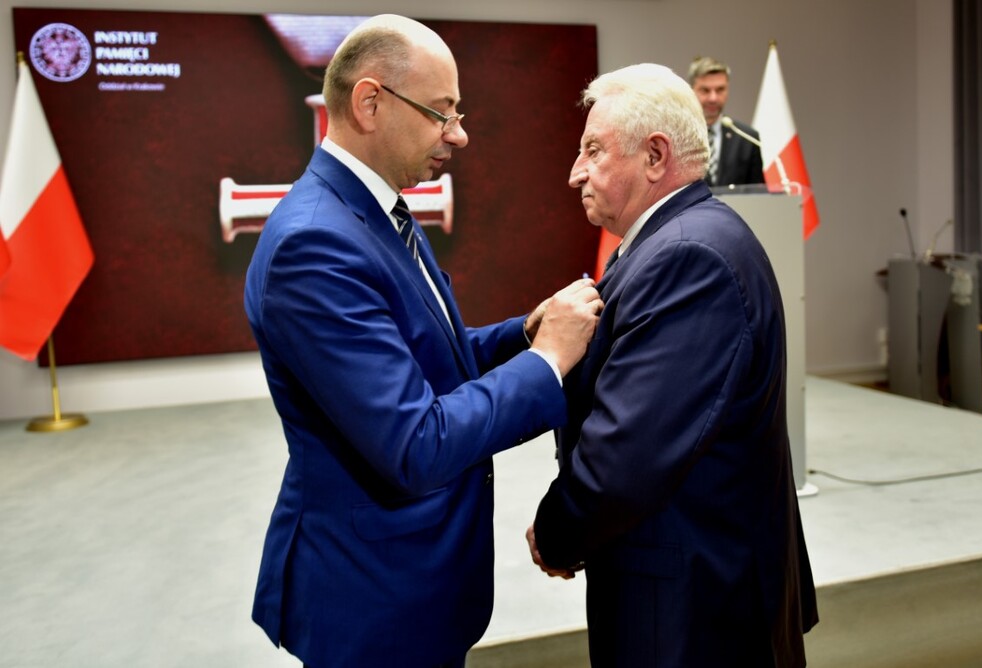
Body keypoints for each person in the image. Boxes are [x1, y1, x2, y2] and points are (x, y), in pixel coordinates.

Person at [244, 14, 603, 668]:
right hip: (373, 597)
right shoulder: (315, 245)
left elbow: (426, 357)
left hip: (409, 581)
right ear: (370, 103)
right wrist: (548, 360)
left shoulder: (373, 213)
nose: (458, 134)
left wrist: (524, 333)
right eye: (442, 113)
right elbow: (415, 442)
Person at [527, 63, 818, 667]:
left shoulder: (687, 257)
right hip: (694, 590)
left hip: (694, 612)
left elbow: (628, 455)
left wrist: (556, 532)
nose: (575, 171)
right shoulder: (681, 239)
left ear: (655, 156)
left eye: (593, 150)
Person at [688, 55, 765, 187]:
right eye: (705, 90)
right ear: (691, 90)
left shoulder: (746, 138)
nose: (713, 98)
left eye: (720, 90)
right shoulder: (677, 135)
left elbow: (756, 193)